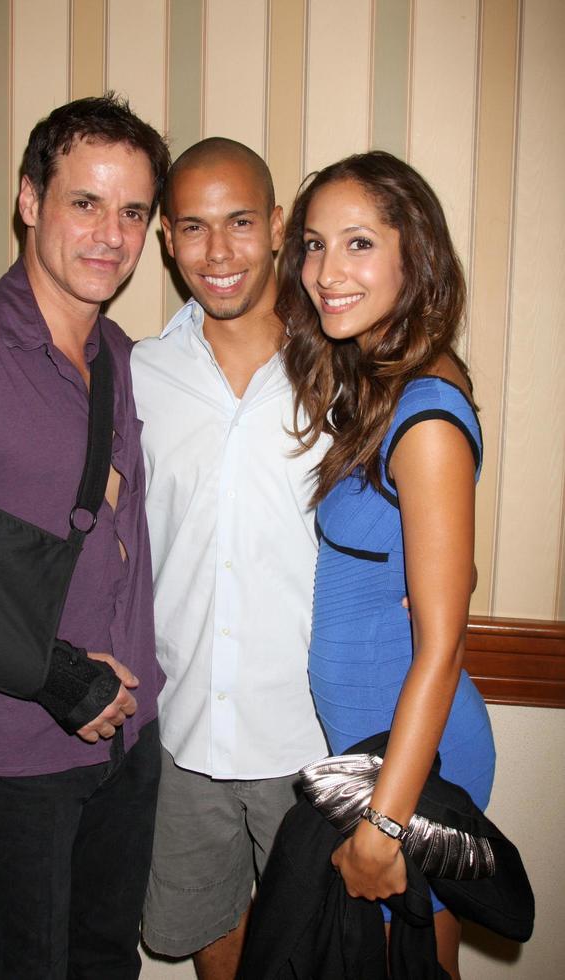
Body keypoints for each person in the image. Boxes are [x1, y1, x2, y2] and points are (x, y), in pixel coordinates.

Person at [0, 94, 169, 979]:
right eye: (85, 202)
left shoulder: (128, 362)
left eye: (133, 211)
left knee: (105, 963)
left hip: (131, 742)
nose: (111, 234)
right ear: (30, 200)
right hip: (9, 754)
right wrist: (60, 675)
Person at [278, 150, 496, 980]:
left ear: (416, 257)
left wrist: (386, 827)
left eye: (359, 244)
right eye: (313, 243)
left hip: (412, 765)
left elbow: (441, 649)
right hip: (371, 749)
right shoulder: (379, 385)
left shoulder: (426, 416)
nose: (327, 271)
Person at [131, 138, 330, 979]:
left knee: (322, 951)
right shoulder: (138, 372)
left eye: (241, 222)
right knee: (213, 936)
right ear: (168, 241)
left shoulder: (343, 371)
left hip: (311, 739)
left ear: (277, 225)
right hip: (184, 731)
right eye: (194, 227)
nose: (218, 253)